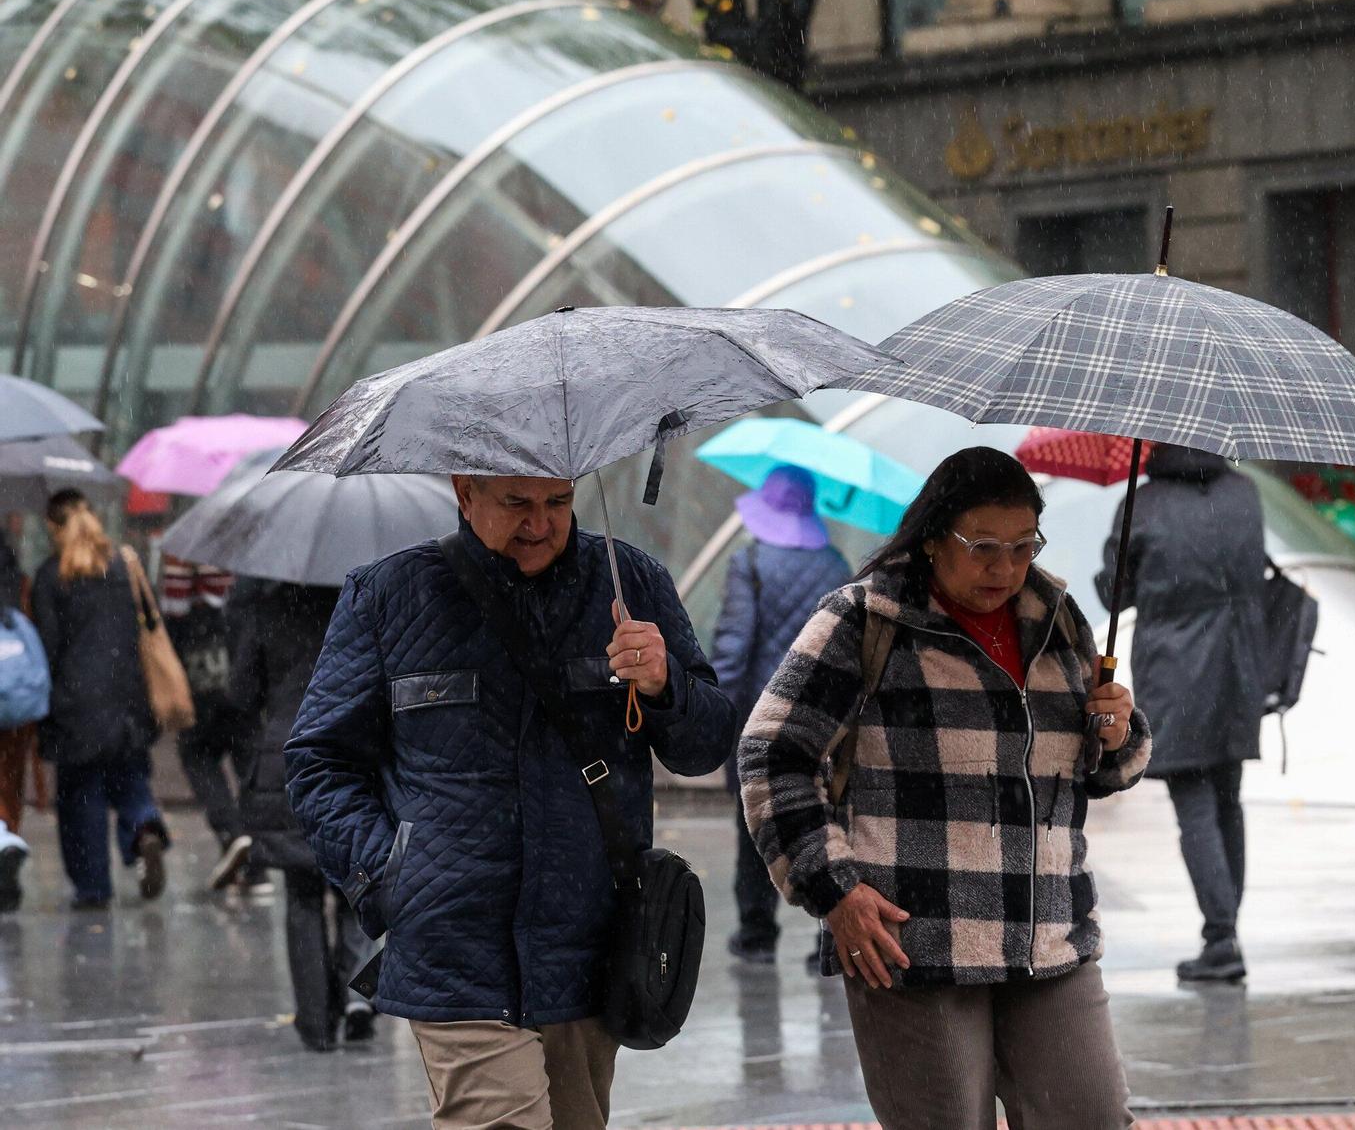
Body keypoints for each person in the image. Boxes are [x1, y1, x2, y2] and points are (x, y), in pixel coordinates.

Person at [286, 474, 735, 1130]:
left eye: (557, 502)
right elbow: (319, 759)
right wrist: (389, 876)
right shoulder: (387, 595)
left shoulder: (629, 583)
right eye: (517, 503)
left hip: (588, 944)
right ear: (465, 492)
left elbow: (706, 747)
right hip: (452, 948)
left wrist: (668, 684)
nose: (541, 524)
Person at [740, 446, 1149, 1130]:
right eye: (983, 546)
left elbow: (1104, 769)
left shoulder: (1058, 618)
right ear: (933, 538)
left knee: (1094, 1115)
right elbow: (772, 752)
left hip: (1048, 936)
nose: (1006, 567)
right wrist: (833, 892)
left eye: (1023, 545)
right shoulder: (864, 619)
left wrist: (1117, 732)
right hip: (912, 944)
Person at [1093, 444, 1266, 984]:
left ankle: (1221, 938)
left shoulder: (1143, 504)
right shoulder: (1246, 493)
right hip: (1240, 662)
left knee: (1193, 802)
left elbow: (1114, 595)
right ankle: (1226, 932)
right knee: (1226, 800)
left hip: (1177, 670)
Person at [709, 466, 852, 964]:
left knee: (756, 821)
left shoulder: (749, 562)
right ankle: (827, 937)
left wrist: (718, 714)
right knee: (825, 820)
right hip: (823, 718)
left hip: (759, 716)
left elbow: (733, 645)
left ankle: (756, 934)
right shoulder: (836, 566)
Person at [229, 575, 374, 1050]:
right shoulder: (358, 605)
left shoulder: (269, 609)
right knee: (355, 885)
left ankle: (315, 1022)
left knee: (302, 895)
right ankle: (355, 996)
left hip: (286, 760)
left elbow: (242, 694)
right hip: (349, 757)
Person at [30, 490, 171, 909]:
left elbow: (48, 648)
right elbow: (147, 622)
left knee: (81, 798)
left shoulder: (52, 575)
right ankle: (144, 826)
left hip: (76, 706)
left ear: (54, 527)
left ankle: (93, 888)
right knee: (129, 778)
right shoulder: (124, 564)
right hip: (129, 697)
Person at [160, 555, 260, 893]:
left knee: (198, 757)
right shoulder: (240, 552)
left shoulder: (180, 554)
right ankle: (255, 859)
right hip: (237, 678)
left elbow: (170, 619)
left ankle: (232, 833)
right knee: (249, 764)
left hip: (196, 682)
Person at [0, 528, 40, 912]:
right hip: (15, 702)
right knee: (10, 786)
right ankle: (8, 839)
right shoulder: (18, 580)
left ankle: (3, 844)